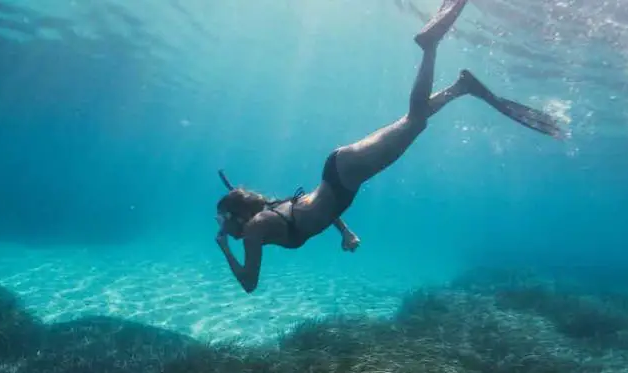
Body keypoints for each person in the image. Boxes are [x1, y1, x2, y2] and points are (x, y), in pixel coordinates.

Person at [215, 0, 563, 293]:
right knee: (415, 122)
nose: (222, 227)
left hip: (343, 176)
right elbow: (318, 211)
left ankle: (430, 46)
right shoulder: (268, 212)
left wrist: (225, 247)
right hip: (339, 170)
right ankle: (461, 87)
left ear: (235, 216)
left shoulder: (255, 229)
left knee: (414, 122)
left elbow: (249, 283)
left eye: (222, 221)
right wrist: (347, 233)